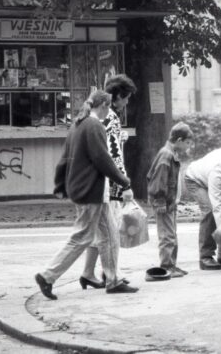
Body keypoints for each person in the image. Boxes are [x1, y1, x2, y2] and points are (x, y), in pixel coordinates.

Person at [34, 90, 138, 300]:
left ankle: (113, 280)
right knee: (82, 236)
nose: (108, 112)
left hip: (83, 188)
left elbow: (64, 158)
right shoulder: (94, 125)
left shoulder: (77, 124)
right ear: (103, 106)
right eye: (108, 108)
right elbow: (102, 159)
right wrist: (125, 182)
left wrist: (60, 185)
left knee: (109, 235)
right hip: (91, 190)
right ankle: (48, 275)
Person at [80, 75, 137, 289]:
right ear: (119, 96)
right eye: (127, 98)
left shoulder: (97, 116)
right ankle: (111, 275)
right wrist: (125, 184)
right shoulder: (111, 117)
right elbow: (113, 154)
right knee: (110, 231)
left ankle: (91, 272)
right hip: (110, 182)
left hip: (96, 180)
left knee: (99, 230)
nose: (127, 102)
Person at [147, 122, 194, 278]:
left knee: (171, 234)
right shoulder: (166, 155)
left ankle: (171, 264)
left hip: (170, 202)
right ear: (179, 140)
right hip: (164, 203)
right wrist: (160, 201)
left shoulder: (171, 153)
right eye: (188, 143)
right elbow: (158, 180)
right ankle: (166, 265)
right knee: (167, 235)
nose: (189, 147)